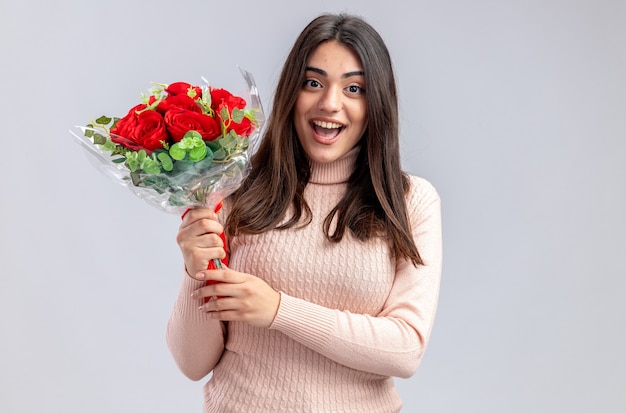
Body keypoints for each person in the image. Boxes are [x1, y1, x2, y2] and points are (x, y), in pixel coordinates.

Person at [166, 12, 442, 413]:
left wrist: (279, 310)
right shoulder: (235, 191)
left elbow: (405, 350)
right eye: (313, 83)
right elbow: (192, 364)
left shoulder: (411, 201)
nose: (330, 104)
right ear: (291, 92)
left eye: (353, 88)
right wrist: (194, 271)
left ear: (377, 103)